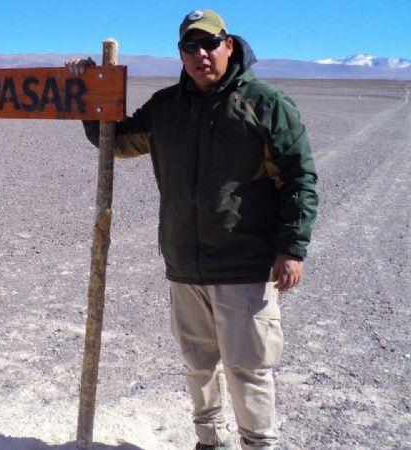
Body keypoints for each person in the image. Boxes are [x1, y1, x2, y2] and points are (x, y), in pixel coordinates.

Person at [67, 9, 318, 450]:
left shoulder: (265, 104)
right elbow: (117, 140)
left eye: (209, 44)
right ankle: (210, 440)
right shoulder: (166, 107)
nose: (201, 54)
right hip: (184, 265)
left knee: (248, 368)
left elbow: (299, 178)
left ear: (229, 46)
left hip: (244, 266)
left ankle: (258, 444)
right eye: (190, 46)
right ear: (180, 53)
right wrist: (88, 91)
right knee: (198, 366)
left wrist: (291, 248)